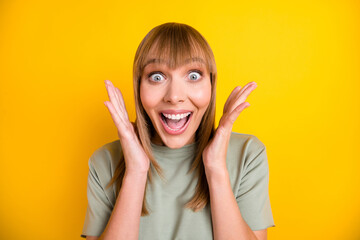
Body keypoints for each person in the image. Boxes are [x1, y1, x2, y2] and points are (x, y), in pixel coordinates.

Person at [81, 22, 275, 240]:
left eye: (193, 75)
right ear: (138, 88)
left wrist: (216, 169)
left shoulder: (247, 154)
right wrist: (135, 171)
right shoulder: (105, 161)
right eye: (157, 77)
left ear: (211, 85)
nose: (174, 96)